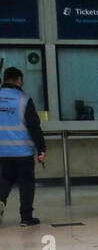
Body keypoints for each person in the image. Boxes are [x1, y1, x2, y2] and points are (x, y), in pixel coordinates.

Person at [0, 67, 47, 226]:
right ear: (19, 79)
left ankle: (0, 202)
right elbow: (34, 126)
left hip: (1, 151)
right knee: (26, 183)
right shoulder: (24, 99)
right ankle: (26, 217)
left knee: (4, 180)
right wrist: (41, 149)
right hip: (22, 151)